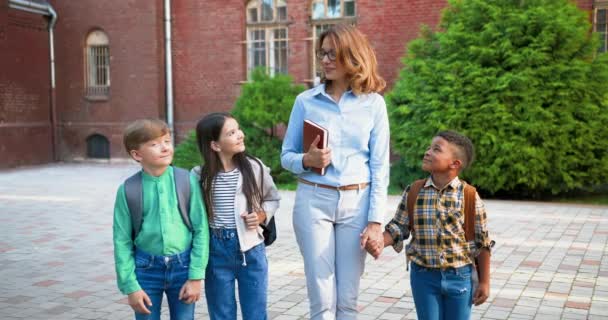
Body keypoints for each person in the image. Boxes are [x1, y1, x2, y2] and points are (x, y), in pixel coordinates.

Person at [280, 24, 390, 319]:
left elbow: (380, 167)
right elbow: (285, 157)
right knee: (322, 297)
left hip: (357, 203)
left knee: (348, 299)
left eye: (333, 54)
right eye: (322, 53)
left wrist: (376, 222)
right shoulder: (305, 101)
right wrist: (307, 160)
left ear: (352, 57)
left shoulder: (374, 104)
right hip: (314, 202)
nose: (326, 60)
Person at [365, 131, 493, 320]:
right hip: (423, 277)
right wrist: (379, 242)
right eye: (429, 147)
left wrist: (484, 282)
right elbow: (399, 227)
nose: (427, 152)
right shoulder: (415, 191)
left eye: (436, 149)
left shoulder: (469, 196)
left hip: (460, 277)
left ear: (454, 164)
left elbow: (482, 244)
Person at [113, 119, 209, 320]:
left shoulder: (186, 180)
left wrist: (195, 276)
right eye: (154, 144)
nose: (164, 147)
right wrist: (130, 287)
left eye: (167, 140)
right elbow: (122, 241)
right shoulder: (128, 189)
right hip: (146, 270)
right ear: (137, 154)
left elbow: (201, 229)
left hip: (183, 267)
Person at [193, 112, 280, 320]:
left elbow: (273, 199)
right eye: (231, 133)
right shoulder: (199, 176)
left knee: (256, 312)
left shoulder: (254, 167)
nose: (240, 135)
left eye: (238, 129)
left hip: (251, 251)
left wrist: (261, 215)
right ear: (215, 145)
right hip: (215, 252)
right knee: (221, 312)